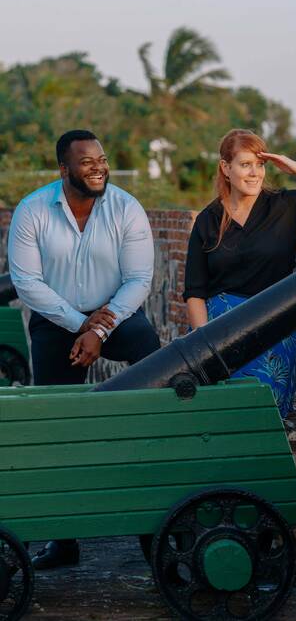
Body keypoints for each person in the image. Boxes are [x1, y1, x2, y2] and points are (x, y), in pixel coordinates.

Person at [7, 129, 161, 569]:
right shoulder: (32, 210)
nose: (98, 168)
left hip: (119, 316)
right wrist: (80, 327)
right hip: (57, 321)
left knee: (157, 384)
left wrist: (101, 328)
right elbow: (27, 284)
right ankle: (64, 542)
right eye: (87, 162)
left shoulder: (126, 207)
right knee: (57, 425)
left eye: (102, 159)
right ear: (64, 169)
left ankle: (156, 527)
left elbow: (138, 281)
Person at [184, 129, 296, 417]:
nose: (254, 173)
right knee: (217, 411)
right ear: (226, 168)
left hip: (272, 322)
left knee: (262, 410)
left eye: (260, 165)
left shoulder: (283, 205)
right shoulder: (208, 220)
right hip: (219, 328)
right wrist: (205, 345)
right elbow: (195, 291)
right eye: (245, 165)